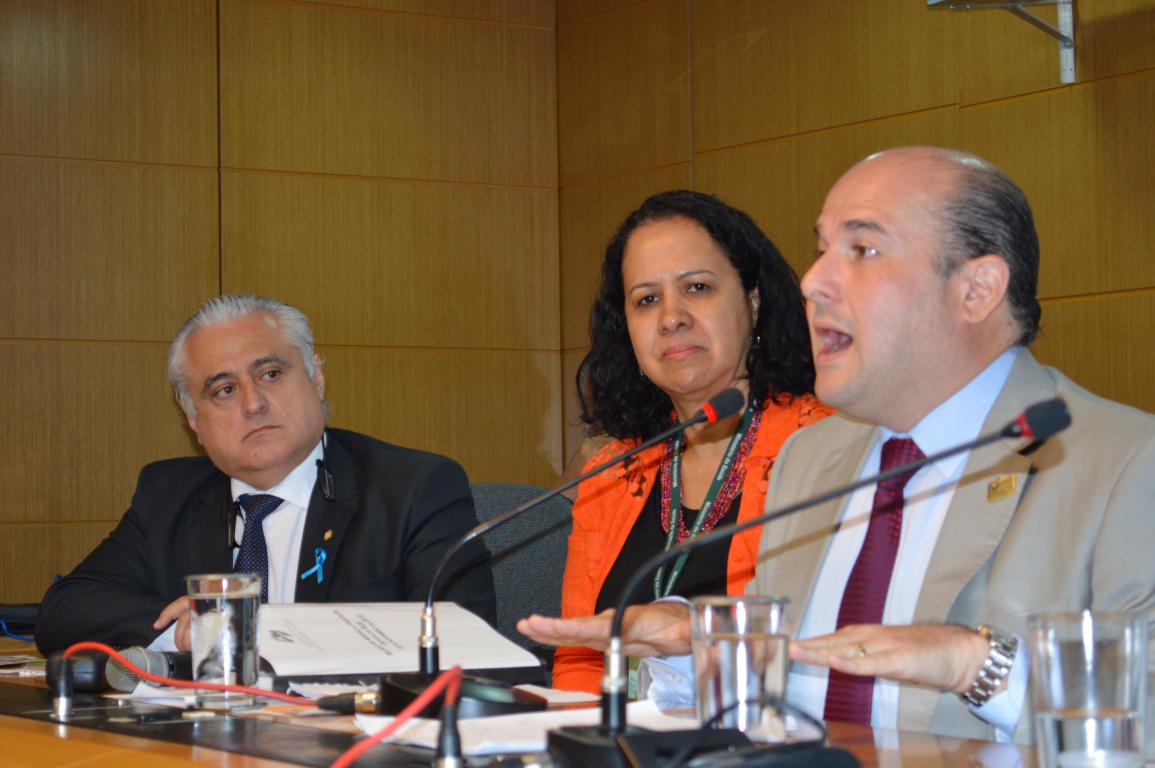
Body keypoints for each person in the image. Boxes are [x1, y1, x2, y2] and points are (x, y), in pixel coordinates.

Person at [520, 148, 1155, 742]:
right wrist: (696, 648)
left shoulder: (1126, 465)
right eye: (822, 251)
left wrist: (979, 666)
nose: (813, 281)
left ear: (977, 289)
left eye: (863, 250)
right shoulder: (812, 461)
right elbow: (771, 707)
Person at [37, 295, 496, 655]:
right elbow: (66, 609)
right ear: (193, 419)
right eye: (224, 390)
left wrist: (267, 631)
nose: (253, 403)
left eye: (271, 374)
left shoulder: (412, 488)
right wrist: (192, 627)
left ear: (316, 378)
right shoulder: (168, 495)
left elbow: (463, 644)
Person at [552, 190, 832, 693]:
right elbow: (579, 662)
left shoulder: (825, 449)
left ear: (753, 302)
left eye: (697, 287)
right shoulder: (613, 471)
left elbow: (829, 651)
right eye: (647, 300)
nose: (671, 317)